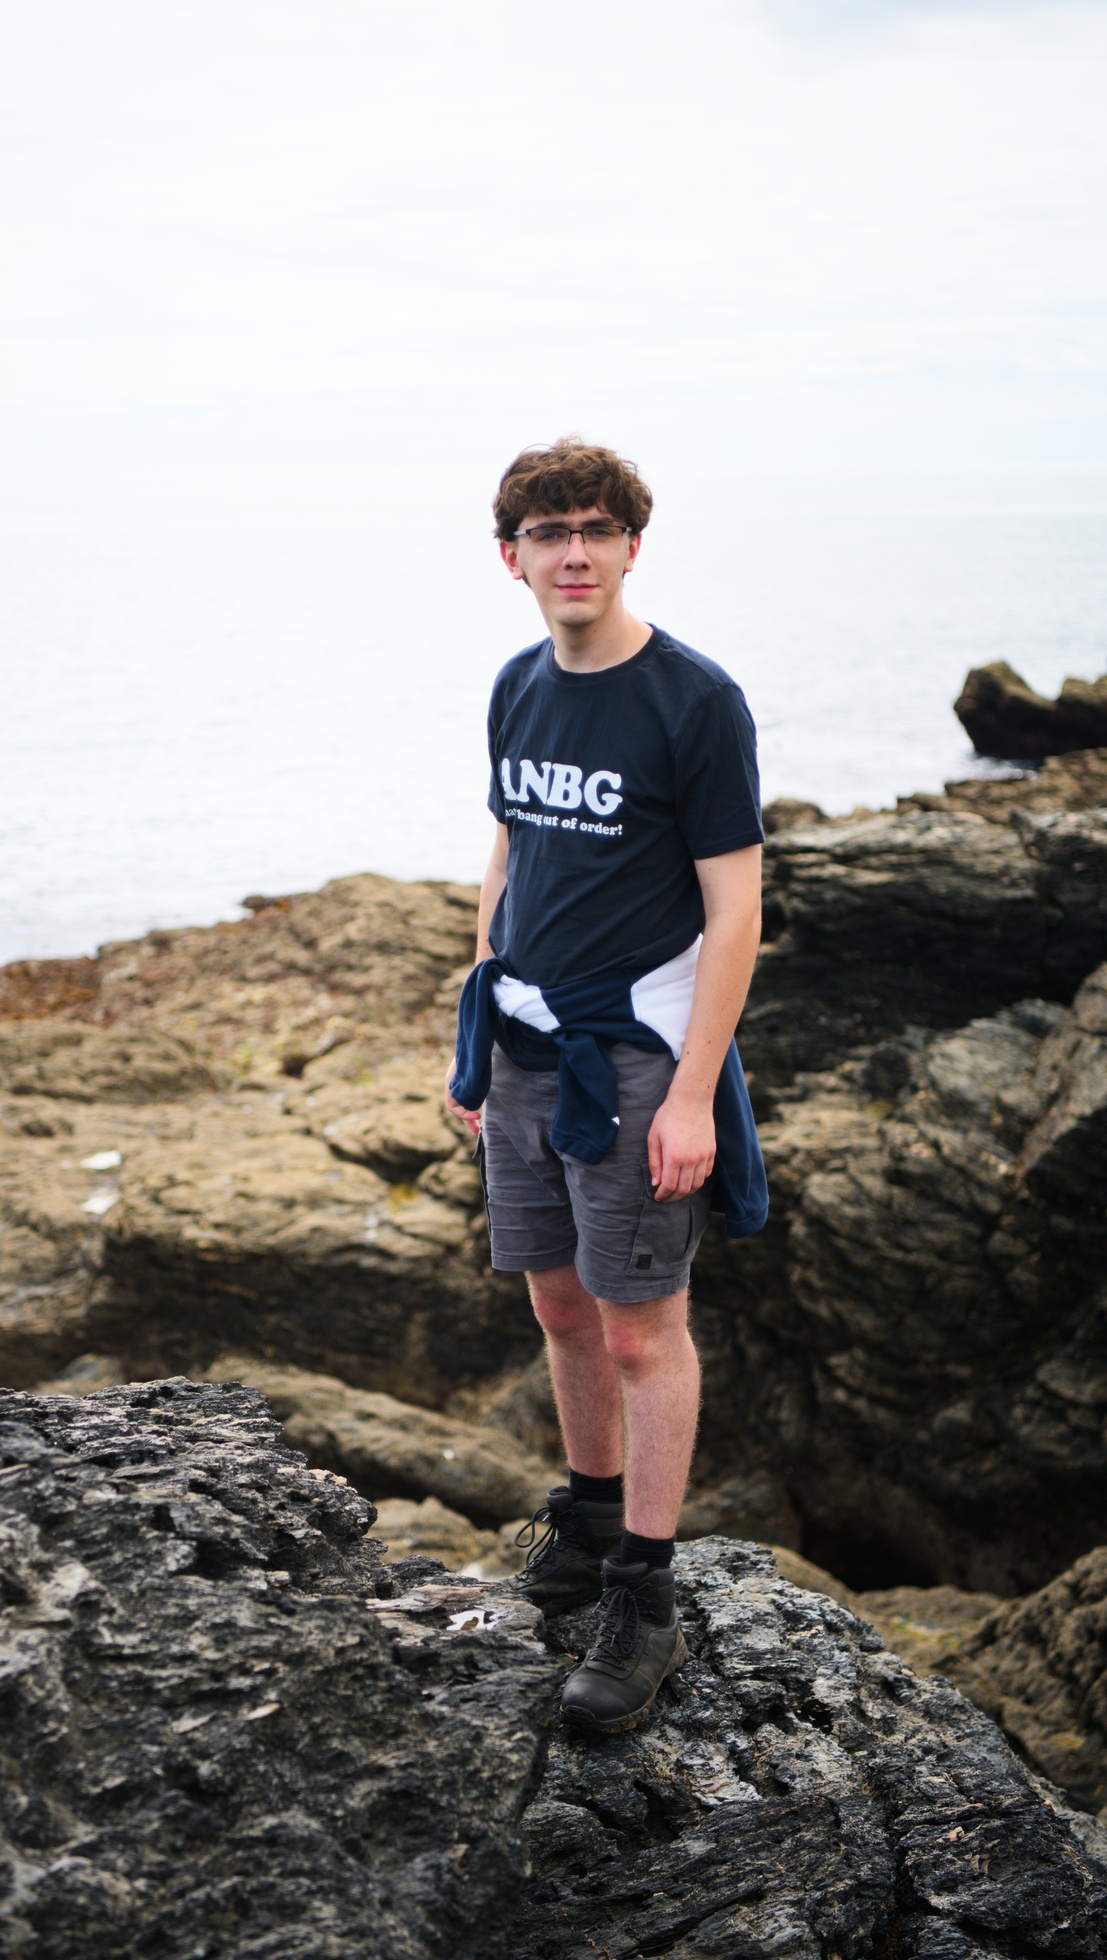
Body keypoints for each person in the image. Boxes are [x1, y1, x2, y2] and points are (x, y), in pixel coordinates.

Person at [445, 436, 766, 1735]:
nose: (571, 553)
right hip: (525, 1047)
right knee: (561, 1306)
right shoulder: (518, 686)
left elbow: (736, 914)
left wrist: (691, 1096)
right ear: (510, 556)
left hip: (634, 1055)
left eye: (594, 530)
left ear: (632, 546)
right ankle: (585, 1525)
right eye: (547, 532)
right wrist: (477, 1016)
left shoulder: (695, 701)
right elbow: (510, 849)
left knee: (642, 1330)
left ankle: (645, 1591)